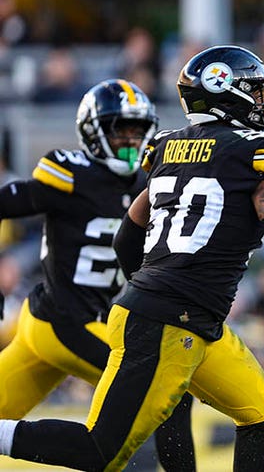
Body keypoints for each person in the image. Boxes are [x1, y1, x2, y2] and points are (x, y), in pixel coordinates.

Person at [0, 46, 264, 471]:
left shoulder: (169, 149)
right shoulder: (255, 154)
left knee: (261, 407)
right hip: (168, 320)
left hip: (187, 317)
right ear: (228, 93)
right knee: (100, 450)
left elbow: (128, 235)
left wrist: (147, 288)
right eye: (259, 91)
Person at [0, 79, 196, 471]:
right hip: (66, 319)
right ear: (93, 131)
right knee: (171, 392)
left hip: (80, 322)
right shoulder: (71, 174)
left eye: (137, 130)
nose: (129, 139)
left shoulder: (151, 182)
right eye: (119, 129)